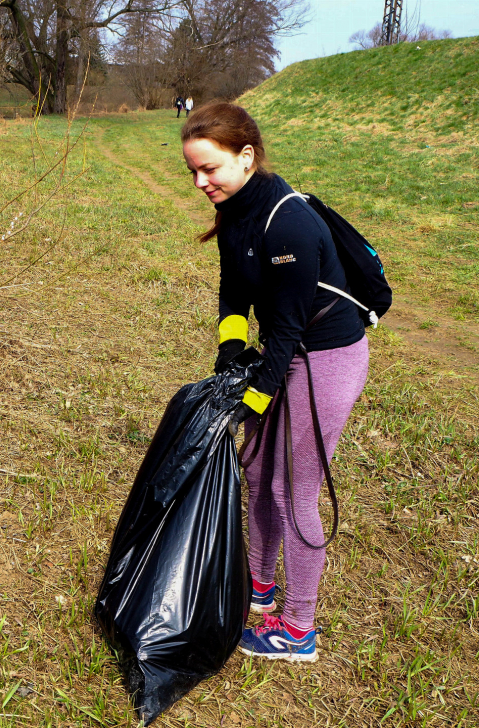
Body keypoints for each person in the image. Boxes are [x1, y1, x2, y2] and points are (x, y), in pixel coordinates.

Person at [180, 102, 369, 663]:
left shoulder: (286, 222)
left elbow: (286, 329)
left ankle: (299, 629)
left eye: (209, 169)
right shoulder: (236, 209)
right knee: (257, 472)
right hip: (286, 351)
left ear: (246, 156)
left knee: (293, 494)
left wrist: (254, 396)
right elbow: (235, 293)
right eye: (192, 170)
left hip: (326, 358)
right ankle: (260, 589)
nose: (199, 182)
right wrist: (230, 352)